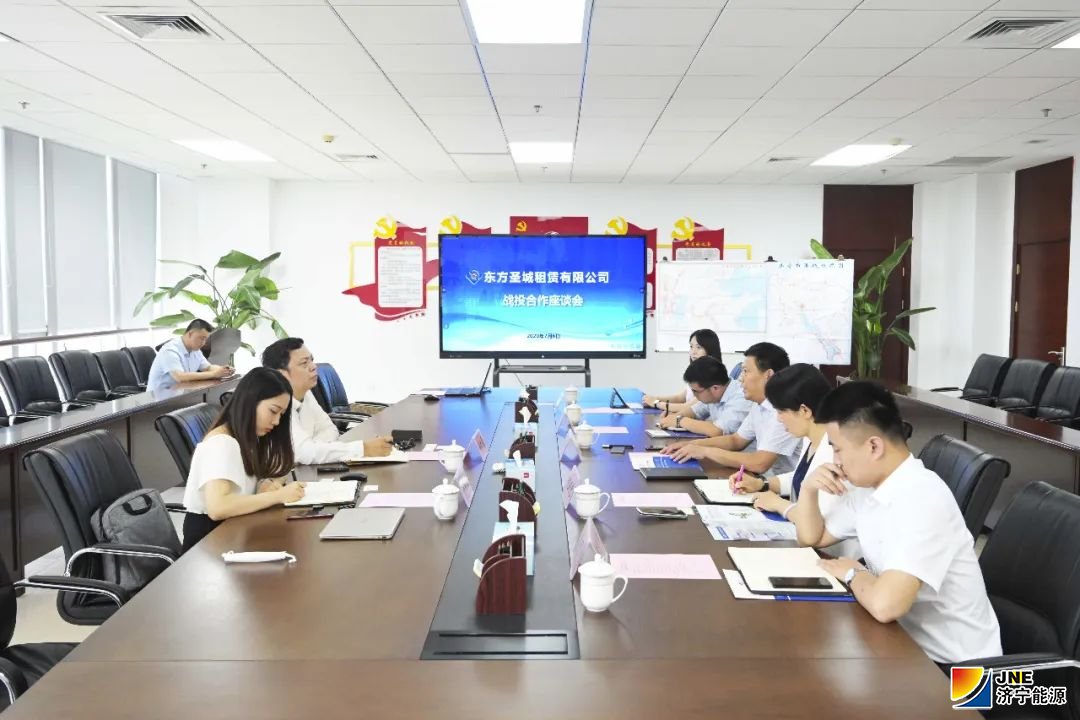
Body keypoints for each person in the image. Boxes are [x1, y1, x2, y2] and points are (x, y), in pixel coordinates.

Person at [800, 381, 1002, 666]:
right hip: (905, 646)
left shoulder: (923, 498)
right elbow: (813, 537)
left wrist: (854, 573)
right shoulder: (871, 488)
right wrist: (809, 489)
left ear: (873, 446)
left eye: (838, 449)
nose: (835, 461)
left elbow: (886, 606)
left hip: (960, 672)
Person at [744, 364, 862, 558]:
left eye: (781, 411)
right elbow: (803, 477)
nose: (779, 419)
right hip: (806, 546)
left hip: (833, 555)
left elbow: (819, 519)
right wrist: (762, 483)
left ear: (804, 411)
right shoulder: (812, 437)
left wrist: (779, 504)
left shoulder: (837, 452)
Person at [181, 367, 304, 552]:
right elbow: (218, 508)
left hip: (234, 535)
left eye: (281, 414)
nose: (277, 421)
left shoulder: (248, 436)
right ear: (250, 402)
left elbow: (280, 467)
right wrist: (276, 496)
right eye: (273, 411)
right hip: (210, 545)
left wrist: (269, 482)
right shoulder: (222, 443)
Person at [664, 342, 802, 476]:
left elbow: (760, 463)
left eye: (746, 371)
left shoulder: (784, 411)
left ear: (768, 375)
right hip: (762, 479)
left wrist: (705, 451)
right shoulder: (759, 404)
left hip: (782, 486)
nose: (741, 378)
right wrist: (691, 445)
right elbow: (736, 440)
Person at [261, 338, 392, 464]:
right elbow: (304, 452)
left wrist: (313, 448)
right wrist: (363, 449)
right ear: (281, 374)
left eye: (312, 360)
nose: (313, 367)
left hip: (305, 469)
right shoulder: (275, 406)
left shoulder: (306, 394)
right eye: (304, 363)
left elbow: (330, 430)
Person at [643, 329, 741, 413]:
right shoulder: (697, 373)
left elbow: (688, 407)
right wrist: (653, 398)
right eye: (691, 347)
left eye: (699, 347)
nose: (693, 352)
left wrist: (656, 403)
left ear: (710, 349)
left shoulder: (713, 376)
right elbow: (680, 398)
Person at [655, 356, 751, 437]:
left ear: (715, 388)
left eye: (695, 391)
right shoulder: (713, 394)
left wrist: (680, 421)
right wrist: (673, 417)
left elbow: (718, 431)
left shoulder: (741, 397)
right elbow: (694, 411)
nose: (694, 395)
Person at [147, 319, 233, 393]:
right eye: (201, 338)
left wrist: (224, 370)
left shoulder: (195, 350)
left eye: (205, 339)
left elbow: (208, 367)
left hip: (179, 395)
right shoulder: (170, 350)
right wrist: (214, 374)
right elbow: (180, 377)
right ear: (190, 334)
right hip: (157, 400)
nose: (203, 343)